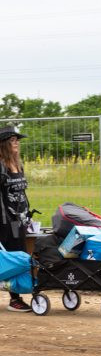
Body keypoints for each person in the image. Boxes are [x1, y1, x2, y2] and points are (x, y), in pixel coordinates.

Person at [0, 125, 32, 312]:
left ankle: (15, 297)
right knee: (10, 257)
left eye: (17, 140)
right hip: (4, 221)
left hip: (18, 220)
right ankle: (15, 299)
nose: (17, 143)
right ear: (4, 144)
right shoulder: (1, 166)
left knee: (19, 256)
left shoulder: (18, 164)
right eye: (13, 140)